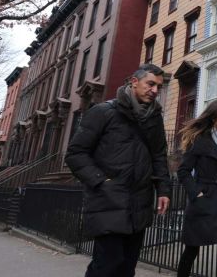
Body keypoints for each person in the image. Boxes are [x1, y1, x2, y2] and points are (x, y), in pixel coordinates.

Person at [65, 63, 171, 277]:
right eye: (150, 84)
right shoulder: (103, 112)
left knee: (126, 269)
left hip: (139, 203)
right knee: (106, 265)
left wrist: (163, 190)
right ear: (134, 82)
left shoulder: (154, 118)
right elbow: (75, 154)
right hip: (108, 201)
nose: (154, 90)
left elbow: (159, 156)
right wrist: (101, 181)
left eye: (158, 87)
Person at [176, 99, 217, 277]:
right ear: (214, 118)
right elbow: (183, 171)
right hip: (204, 198)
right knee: (192, 249)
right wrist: (196, 194)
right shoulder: (199, 139)